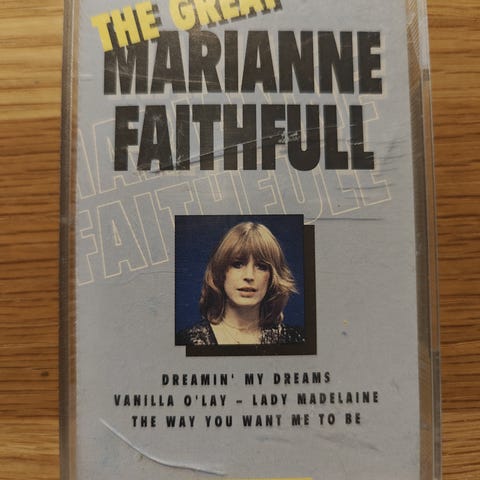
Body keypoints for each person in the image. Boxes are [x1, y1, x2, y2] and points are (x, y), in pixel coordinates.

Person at [177, 221, 305, 345]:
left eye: (261, 266)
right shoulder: (188, 340)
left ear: (272, 277)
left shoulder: (296, 340)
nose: (249, 276)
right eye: (237, 264)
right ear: (220, 272)